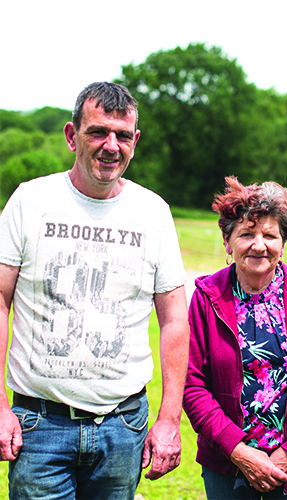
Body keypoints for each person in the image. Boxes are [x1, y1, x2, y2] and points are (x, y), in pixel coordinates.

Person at [0, 82, 189, 499]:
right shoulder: (30, 201)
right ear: (72, 136)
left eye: (122, 135)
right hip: (40, 423)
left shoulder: (154, 213)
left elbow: (175, 318)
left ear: (135, 141)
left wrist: (169, 419)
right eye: (98, 132)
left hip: (122, 425)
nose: (111, 145)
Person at [183, 176, 287, 499]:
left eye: (270, 235)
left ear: (283, 243)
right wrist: (240, 453)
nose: (259, 245)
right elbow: (192, 386)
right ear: (227, 240)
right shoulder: (207, 295)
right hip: (228, 462)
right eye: (246, 233)